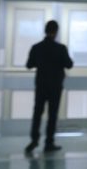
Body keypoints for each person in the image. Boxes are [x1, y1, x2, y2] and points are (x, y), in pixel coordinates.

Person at [24, 20, 74, 155]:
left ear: (45, 31)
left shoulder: (36, 47)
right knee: (52, 114)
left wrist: (40, 62)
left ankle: (34, 140)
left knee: (37, 113)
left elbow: (29, 65)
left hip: (41, 86)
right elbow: (69, 65)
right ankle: (49, 143)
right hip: (55, 87)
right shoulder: (61, 48)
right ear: (56, 32)